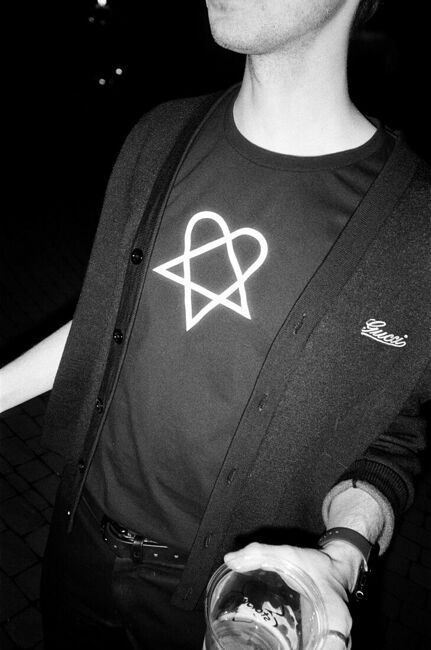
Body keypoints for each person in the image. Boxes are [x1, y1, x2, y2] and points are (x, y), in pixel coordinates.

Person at [1, 0, 430, 648]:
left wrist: (345, 553)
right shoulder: (159, 134)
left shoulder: (415, 230)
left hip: (226, 599)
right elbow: (107, 324)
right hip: (76, 544)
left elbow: (388, 439)